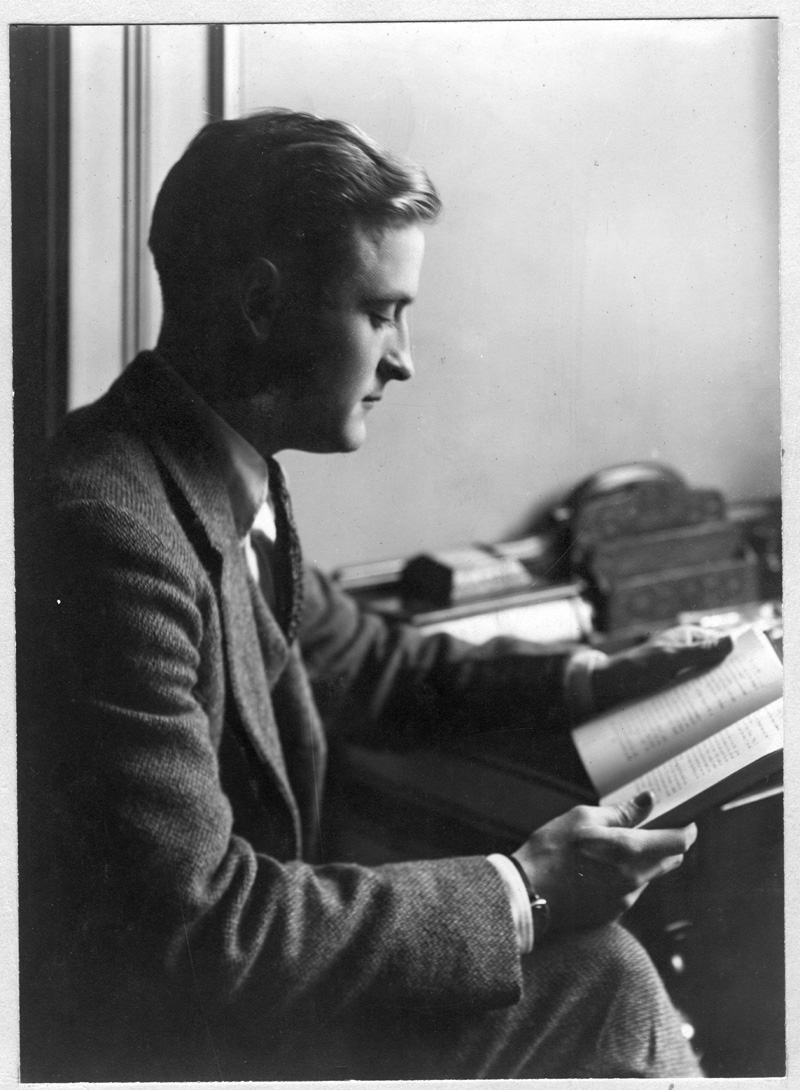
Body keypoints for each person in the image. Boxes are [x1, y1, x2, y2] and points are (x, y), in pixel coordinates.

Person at [17, 109, 733, 1082]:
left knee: (603, 975)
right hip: (157, 1049)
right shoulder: (108, 528)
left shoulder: (211, 469)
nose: (403, 358)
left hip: (231, 996)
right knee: (601, 980)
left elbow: (367, 663)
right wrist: (520, 889)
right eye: (382, 312)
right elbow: (201, 926)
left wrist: (593, 678)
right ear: (261, 303)